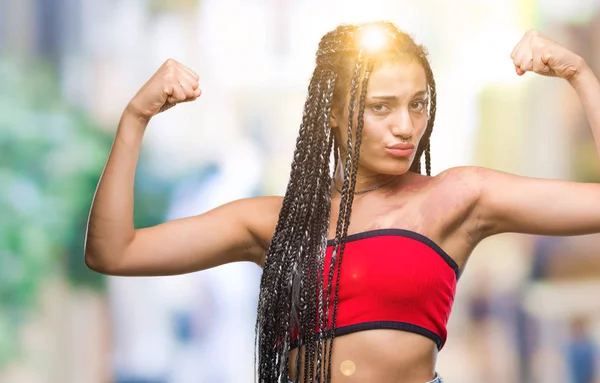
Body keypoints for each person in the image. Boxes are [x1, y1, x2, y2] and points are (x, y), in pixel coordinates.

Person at [84, 21, 600, 383]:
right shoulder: (275, 221)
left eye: (418, 105)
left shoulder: (456, 198)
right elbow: (113, 252)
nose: (406, 127)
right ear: (332, 114)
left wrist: (579, 73)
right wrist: (135, 117)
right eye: (381, 107)